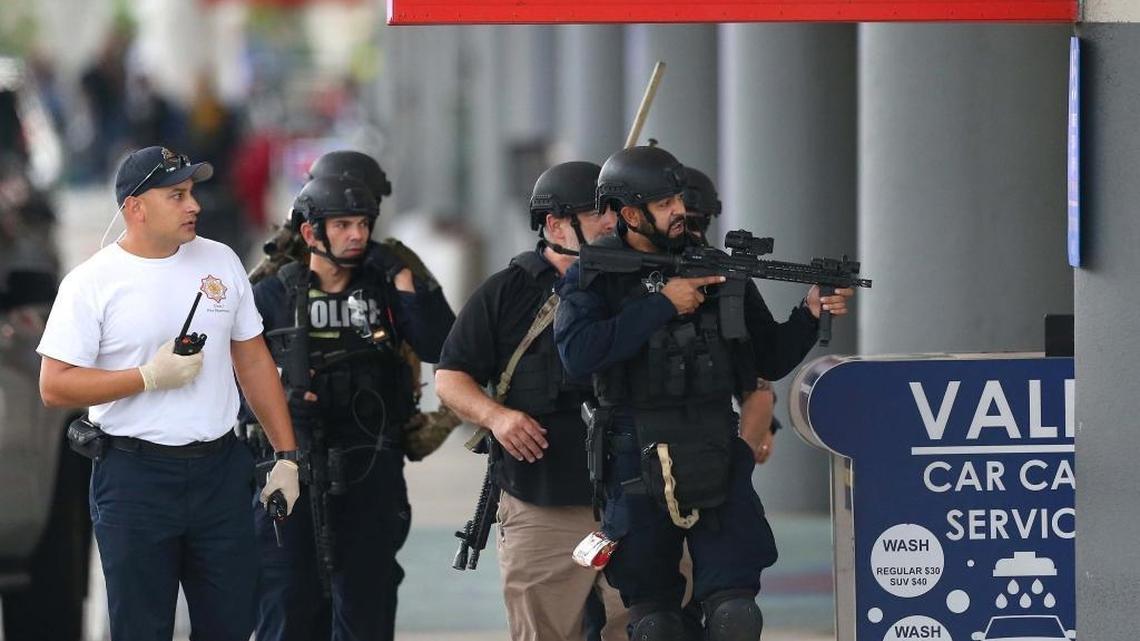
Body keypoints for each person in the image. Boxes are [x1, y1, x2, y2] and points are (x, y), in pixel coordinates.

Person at [554, 145, 854, 640]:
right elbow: (578, 355)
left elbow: (769, 359)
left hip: (716, 447)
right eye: (664, 204)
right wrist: (662, 304)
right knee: (655, 624)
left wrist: (809, 313)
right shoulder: (595, 277)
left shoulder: (715, 269)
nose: (680, 211)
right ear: (630, 214)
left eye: (679, 199)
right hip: (634, 456)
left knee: (736, 615)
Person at [36, 145, 300, 641]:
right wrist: (148, 377)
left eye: (192, 192)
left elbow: (253, 360)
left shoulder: (221, 260)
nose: (194, 205)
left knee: (232, 624)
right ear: (135, 207)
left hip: (219, 471)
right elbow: (55, 385)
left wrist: (286, 455)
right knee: (142, 628)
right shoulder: (92, 282)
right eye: (176, 195)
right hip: (134, 477)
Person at [250, 158, 455, 641]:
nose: (357, 235)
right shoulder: (274, 293)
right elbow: (233, 376)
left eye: (363, 224)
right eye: (342, 225)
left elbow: (443, 346)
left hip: (370, 457)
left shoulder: (387, 286)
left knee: (367, 598)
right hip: (290, 459)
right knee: (288, 597)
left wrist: (404, 284)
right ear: (311, 232)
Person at [435, 161, 629, 641]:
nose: (611, 221)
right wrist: (496, 417)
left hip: (632, 496)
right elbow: (450, 378)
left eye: (613, 210)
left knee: (646, 627)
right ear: (556, 225)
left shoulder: (633, 283)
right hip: (542, 502)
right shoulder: (506, 292)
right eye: (596, 212)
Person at [680, 166, 779, 465]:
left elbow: (749, 366)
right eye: (681, 222)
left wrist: (756, 435)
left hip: (706, 440)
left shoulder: (719, 276)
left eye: (698, 222)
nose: (689, 232)